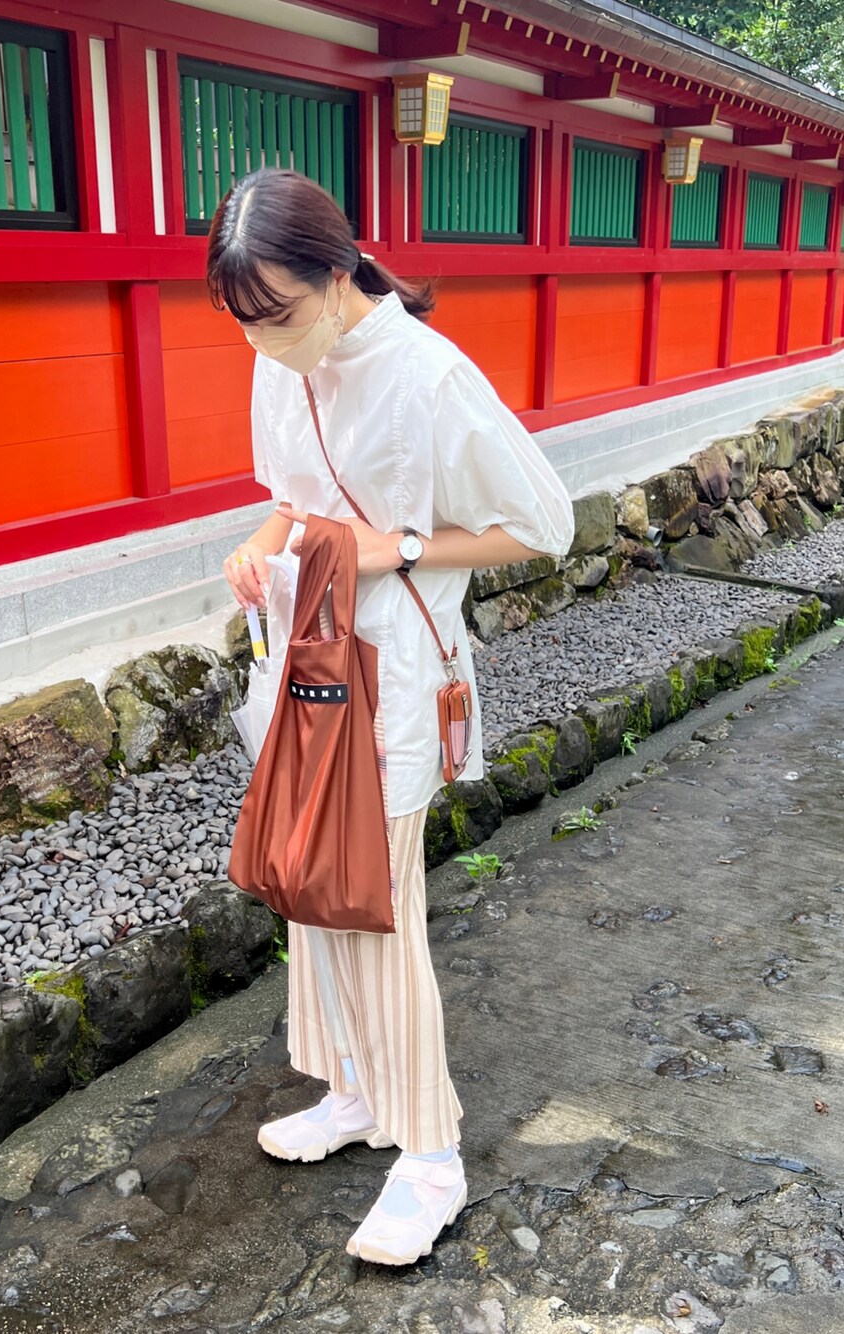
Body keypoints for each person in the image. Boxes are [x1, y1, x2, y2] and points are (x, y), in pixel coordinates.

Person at [208, 168, 574, 1266]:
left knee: (377, 907)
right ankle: (354, 1089)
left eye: (277, 315)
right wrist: (258, 547)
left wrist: (400, 546)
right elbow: (291, 497)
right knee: (309, 884)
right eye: (243, 322)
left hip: (397, 672)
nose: (263, 342)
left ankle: (431, 1156)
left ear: (336, 274)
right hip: (305, 657)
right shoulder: (284, 355)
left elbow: (542, 523)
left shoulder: (428, 375)